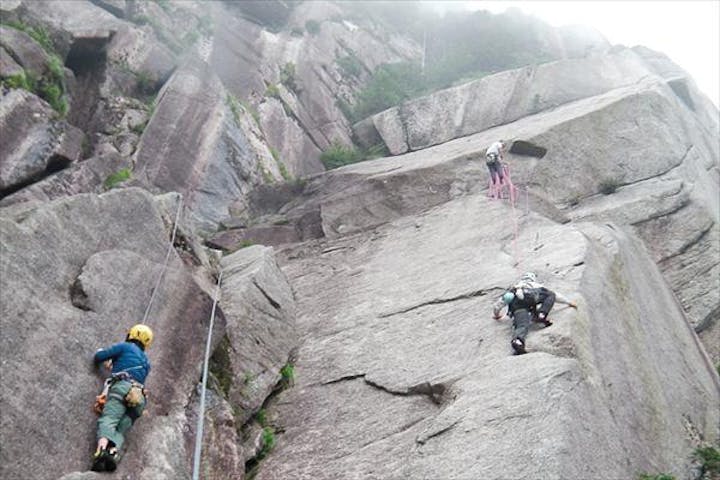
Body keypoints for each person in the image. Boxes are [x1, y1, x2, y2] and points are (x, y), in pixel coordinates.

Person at [91, 324, 153, 472]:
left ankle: (101, 452)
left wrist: (100, 353)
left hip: (122, 388)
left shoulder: (126, 347)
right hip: (139, 398)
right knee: (120, 429)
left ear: (131, 334)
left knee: (109, 420)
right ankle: (112, 453)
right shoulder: (147, 362)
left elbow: (99, 357)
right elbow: (130, 369)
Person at [493, 272, 577, 354]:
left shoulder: (514, 289)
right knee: (550, 295)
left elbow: (499, 304)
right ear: (533, 279)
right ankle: (542, 314)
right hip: (531, 300)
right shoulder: (535, 285)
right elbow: (556, 296)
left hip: (518, 306)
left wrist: (497, 315)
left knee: (522, 325)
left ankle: (518, 341)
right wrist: (568, 302)